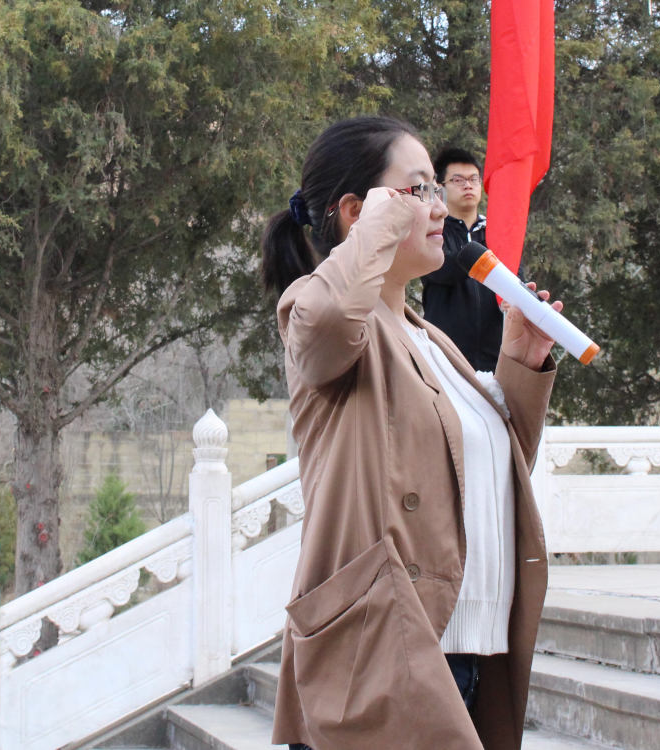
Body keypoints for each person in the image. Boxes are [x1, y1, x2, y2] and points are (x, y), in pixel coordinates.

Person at [261, 116, 562, 750]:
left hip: (468, 652)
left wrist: (520, 361)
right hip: (382, 657)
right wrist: (372, 228)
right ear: (357, 212)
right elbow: (328, 321)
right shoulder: (322, 316)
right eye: (419, 189)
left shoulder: (432, 341)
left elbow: (484, 482)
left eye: (436, 190)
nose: (440, 207)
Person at [421, 147, 509, 372]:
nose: (468, 185)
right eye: (458, 180)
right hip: (444, 358)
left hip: (496, 361)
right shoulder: (432, 230)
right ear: (439, 188)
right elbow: (440, 270)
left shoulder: (498, 233)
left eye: (474, 179)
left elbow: (515, 279)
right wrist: (478, 257)